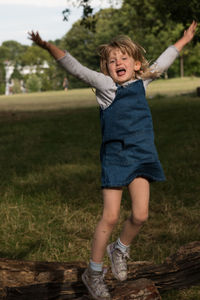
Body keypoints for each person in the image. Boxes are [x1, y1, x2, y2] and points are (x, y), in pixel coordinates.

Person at [28, 20, 197, 300]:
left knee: (141, 215)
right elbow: (76, 68)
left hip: (142, 156)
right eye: (111, 60)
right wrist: (47, 46)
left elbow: (164, 60)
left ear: (137, 64)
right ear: (106, 68)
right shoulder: (105, 86)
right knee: (111, 216)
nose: (118, 62)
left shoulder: (143, 81)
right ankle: (93, 273)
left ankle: (119, 248)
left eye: (124, 58)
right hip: (116, 158)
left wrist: (184, 40)